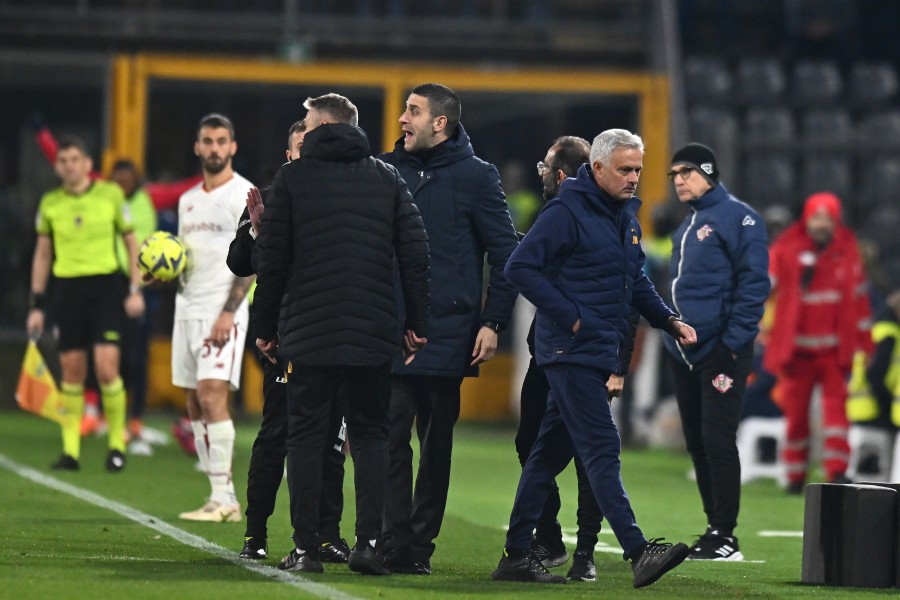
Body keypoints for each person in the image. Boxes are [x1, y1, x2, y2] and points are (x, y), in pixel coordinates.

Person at [492, 128, 697, 589]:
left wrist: (668, 320)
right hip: (570, 350)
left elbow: (634, 280)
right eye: (625, 169)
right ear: (598, 167)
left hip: (594, 349)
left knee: (546, 454)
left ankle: (516, 554)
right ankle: (639, 551)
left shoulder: (623, 215)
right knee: (602, 447)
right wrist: (572, 317)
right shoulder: (566, 210)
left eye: (639, 170)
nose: (634, 178)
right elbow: (519, 266)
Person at [253, 93, 430, 575]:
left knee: (306, 439)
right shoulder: (387, 178)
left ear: (323, 125)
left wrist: (265, 329)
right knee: (372, 438)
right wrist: (417, 324)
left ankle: (307, 549)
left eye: (309, 125)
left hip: (307, 334)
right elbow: (416, 256)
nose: (304, 132)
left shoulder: (292, 179)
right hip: (373, 333)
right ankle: (368, 544)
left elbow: (271, 262)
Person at [378, 83, 520, 575]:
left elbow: (506, 255)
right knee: (388, 438)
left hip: (449, 329)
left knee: (434, 445)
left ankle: (419, 546)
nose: (401, 119)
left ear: (440, 123)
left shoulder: (477, 177)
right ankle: (392, 541)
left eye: (412, 111)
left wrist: (492, 322)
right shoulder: (384, 170)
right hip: (390, 330)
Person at [227, 120, 350, 563]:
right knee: (278, 434)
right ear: (289, 155)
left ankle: (326, 534)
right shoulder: (272, 196)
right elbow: (239, 262)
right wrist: (259, 230)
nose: (308, 153)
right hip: (281, 335)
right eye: (301, 147)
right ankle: (255, 533)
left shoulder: (340, 198)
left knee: (333, 437)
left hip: (330, 332)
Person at [663, 143, 770, 561]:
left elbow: (754, 284)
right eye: (673, 174)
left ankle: (726, 534)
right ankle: (713, 527)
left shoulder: (740, 218)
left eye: (686, 172)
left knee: (718, 439)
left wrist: (732, 342)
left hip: (720, 351)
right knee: (697, 442)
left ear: (709, 172)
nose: (679, 181)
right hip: (683, 352)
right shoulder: (687, 225)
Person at [26, 136, 145, 472]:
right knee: (72, 372)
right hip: (67, 291)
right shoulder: (50, 203)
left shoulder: (110, 195)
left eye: (75, 159)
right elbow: (43, 254)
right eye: (63, 160)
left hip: (105, 287)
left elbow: (132, 242)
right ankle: (71, 451)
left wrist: (134, 288)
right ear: (57, 166)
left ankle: (117, 445)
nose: (69, 165)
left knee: (107, 368)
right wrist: (37, 304)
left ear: (88, 165)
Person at [515, 136, 604, 582]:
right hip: (547, 353)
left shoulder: (605, 217)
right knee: (529, 444)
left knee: (591, 456)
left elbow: (626, 293)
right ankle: (547, 537)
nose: (541, 174)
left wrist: (619, 364)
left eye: (544, 167)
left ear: (561, 174)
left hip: (585, 356)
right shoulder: (559, 215)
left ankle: (585, 551)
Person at [171, 113, 255, 522]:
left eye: (222, 140)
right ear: (197, 147)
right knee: (193, 402)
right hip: (185, 308)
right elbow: (188, 259)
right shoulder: (187, 200)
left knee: (211, 395)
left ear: (233, 147)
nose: (215, 148)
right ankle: (214, 494)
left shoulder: (244, 195)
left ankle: (227, 500)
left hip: (222, 312)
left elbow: (252, 259)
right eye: (208, 141)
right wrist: (161, 273)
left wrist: (229, 312)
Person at [766, 191, 873, 494]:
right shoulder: (786, 248)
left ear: (836, 221)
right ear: (807, 219)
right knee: (796, 415)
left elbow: (860, 301)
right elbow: (766, 282)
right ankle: (795, 475)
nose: (822, 224)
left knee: (837, 416)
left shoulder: (848, 250)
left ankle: (837, 471)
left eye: (828, 218)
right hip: (797, 351)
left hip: (833, 353)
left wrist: (865, 344)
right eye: (817, 217)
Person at [110, 159, 159, 456]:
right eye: (118, 180)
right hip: (111, 284)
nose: (123, 184)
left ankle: (136, 419)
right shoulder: (106, 202)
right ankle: (107, 416)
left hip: (143, 286)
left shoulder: (145, 203)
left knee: (137, 356)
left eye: (127, 180)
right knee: (109, 353)